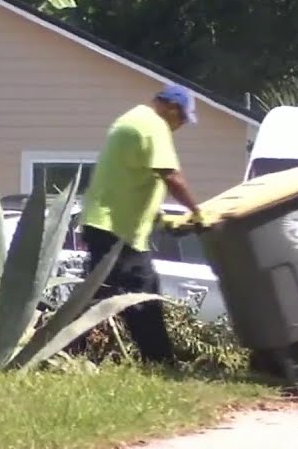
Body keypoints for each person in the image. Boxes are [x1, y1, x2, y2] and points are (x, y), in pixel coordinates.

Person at [79, 84, 204, 363]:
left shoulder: (133, 118)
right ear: (171, 109)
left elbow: (129, 180)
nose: (181, 126)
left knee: (100, 297)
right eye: (183, 119)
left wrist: (160, 217)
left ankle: (64, 353)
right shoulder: (153, 126)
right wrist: (198, 212)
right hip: (116, 231)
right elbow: (171, 177)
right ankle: (161, 362)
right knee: (143, 296)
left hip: (106, 225)